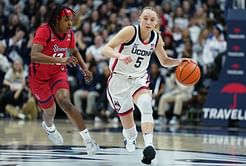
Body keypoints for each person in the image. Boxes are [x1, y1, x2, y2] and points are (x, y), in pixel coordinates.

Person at [102, 6, 191, 164]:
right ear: (140, 19)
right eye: (145, 18)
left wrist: (179, 62)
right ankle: (130, 139)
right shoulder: (130, 31)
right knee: (130, 131)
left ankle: (149, 146)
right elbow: (106, 49)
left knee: (146, 105)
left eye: (152, 20)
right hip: (119, 80)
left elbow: (164, 61)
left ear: (156, 23)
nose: (148, 22)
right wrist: (120, 55)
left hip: (139, 79)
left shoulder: (156, 38)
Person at [28, 5, 98, 155]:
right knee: (50, 109)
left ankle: (88, 140)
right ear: (56, 20)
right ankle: (49, 127)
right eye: (66, 20)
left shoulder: (70, 34)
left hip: (57, 72)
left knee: (65, 101)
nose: (70, 23)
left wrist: (85, 68)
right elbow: (34, 55)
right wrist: (61, 60)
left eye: (71, 20)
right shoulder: (44, 30)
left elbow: (75, 51)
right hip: (38, 77)